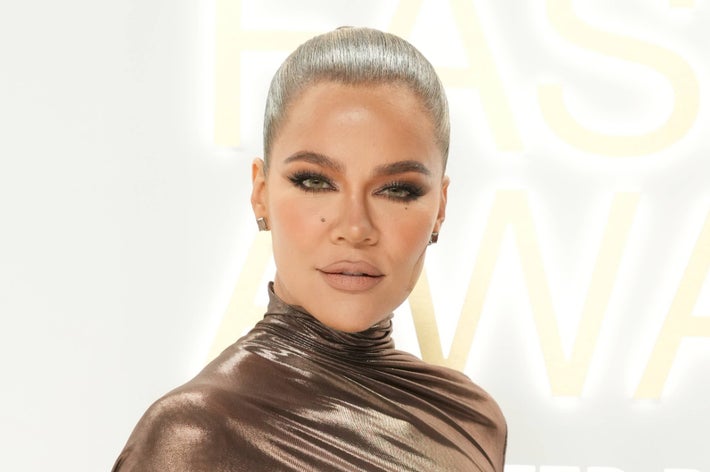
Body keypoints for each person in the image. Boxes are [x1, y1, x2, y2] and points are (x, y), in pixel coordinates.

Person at [112, 26, 507, 471]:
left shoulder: (472, 419)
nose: (355, 228)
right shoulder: (194, 436)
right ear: (261, 193)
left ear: (440, 208)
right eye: (315, 182)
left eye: (397, 189)